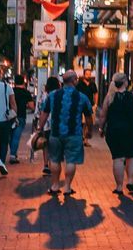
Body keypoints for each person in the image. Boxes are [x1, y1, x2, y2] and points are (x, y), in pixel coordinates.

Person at [39, 68, 94, 202]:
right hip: (74, 134)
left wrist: (40, 128)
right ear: (74, 81)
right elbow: (88, 117)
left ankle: (55, 185)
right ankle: (67, 187)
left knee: (55, 159)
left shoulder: (53, 95)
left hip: (56, 133)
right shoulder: (81, 97)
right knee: (71, 160)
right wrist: (89, 131)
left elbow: (44, 114)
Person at [100, 72, 133, 198]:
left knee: (118, 158)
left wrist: (101, 128)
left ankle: (119, 186)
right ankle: (130, 181)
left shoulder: (109, 97)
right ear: (125, 82)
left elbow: (103, 115)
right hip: (131, 130)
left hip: (114, 131)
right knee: (131, 156)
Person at [9, 72, 35, 164]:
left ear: (15, 82)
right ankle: (12, 155)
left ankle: (13, 153)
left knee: (11, 136)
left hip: (9, 116)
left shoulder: (10, 91)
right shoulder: (26, 93)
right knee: (16, 136)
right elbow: (31, 106)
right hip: (21, 116)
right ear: (23, 82)